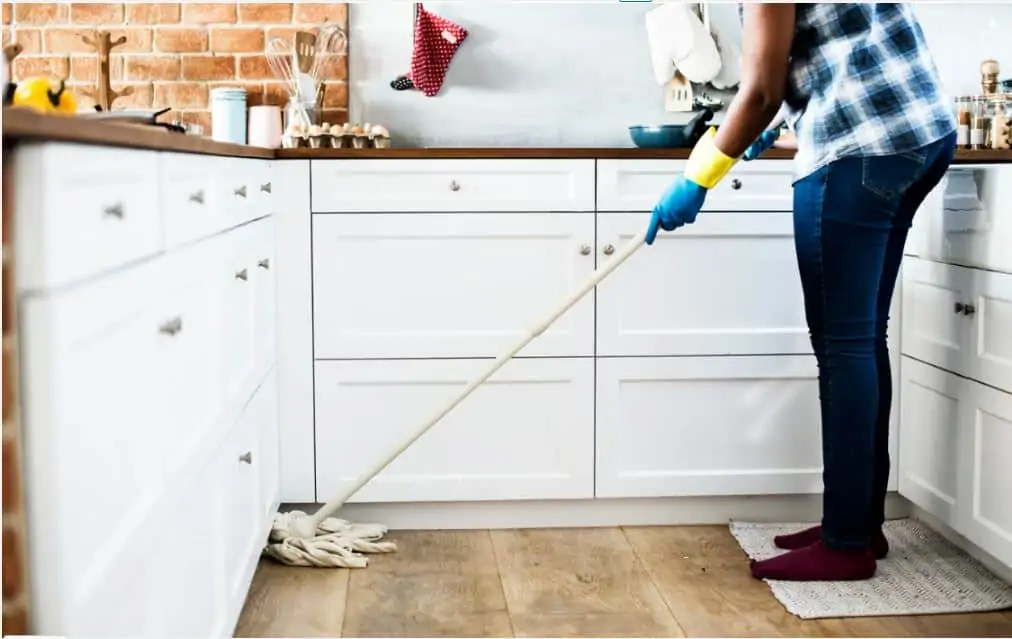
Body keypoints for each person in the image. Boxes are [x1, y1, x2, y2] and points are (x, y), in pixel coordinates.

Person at [647, 3, 957, 582]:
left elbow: (762, 87)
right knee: (862, 340)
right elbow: (826, 50)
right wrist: (770, 125)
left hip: (859, 148)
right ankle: (858, 522)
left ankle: (845, 545)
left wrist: (699, 178)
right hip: (919, 136)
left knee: (843, 347)